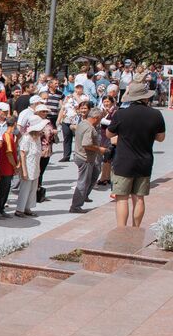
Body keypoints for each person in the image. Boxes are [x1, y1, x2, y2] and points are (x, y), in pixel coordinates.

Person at [107, 79, 166, 227]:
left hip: (123, 161)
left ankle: (121, 229)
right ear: (145, 97)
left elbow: (108, 134)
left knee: (122, 198)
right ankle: (136, 229)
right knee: (139, 198)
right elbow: (161, 138)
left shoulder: (121, 114)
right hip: (144, 160)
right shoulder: (156, 114)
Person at [69, 100, 102, 213]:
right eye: (100, 118)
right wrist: (99, 149)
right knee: (83, 182)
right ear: (96, 118)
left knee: (93, 176)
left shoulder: (82, 123)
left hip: (83, 157)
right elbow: (87, 144)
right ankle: (76, 206)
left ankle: (83, 197)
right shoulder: (89, 127)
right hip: (85, 158)